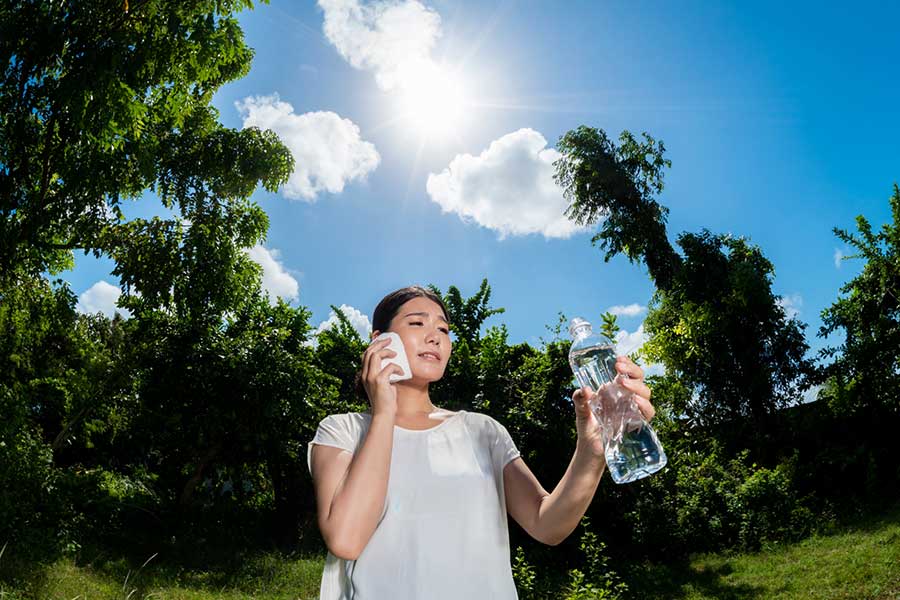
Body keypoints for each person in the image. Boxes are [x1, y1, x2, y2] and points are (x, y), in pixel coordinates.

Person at [307, 285, 656, 599]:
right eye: (417, 324)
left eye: (443, 329)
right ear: (379, 340)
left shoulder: (482, 430)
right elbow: (346, 539)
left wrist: (592, 451)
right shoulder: (343, 431)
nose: (435, 337)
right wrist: (384, 414)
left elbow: (547, 524)